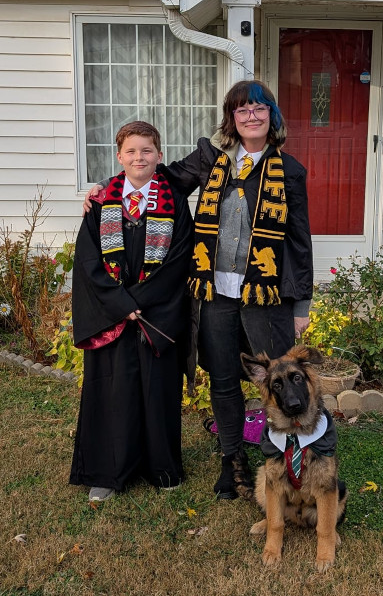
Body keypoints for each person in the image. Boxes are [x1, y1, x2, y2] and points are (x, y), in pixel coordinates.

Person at [84, 80, 313, 501]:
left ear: (271, 117)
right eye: (242, 110)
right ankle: (232, 461)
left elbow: (299, 241)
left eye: (259, 109)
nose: (251, 116)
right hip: (213, 292)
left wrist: (302, 303)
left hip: (266, 296)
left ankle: (287, 457)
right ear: (232, 117)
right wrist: (105, 187)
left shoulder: (291, 171)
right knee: (223, 379)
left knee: (282, 379)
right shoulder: (211, 159)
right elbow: (157, 177)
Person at [71, 121, 194, 502]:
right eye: (131, 151)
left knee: (158, 391)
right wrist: (122, 305)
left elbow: (179, 261)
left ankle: (162, 466)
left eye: (147, 150)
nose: (139, 157)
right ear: (119, 156)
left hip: (155, 314)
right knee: (112, 392)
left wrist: (139, 302)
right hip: (112, 316)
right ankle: (107, 472)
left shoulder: (174, 201)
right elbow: (88, 262)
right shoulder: (102, 200)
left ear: (160, 155)